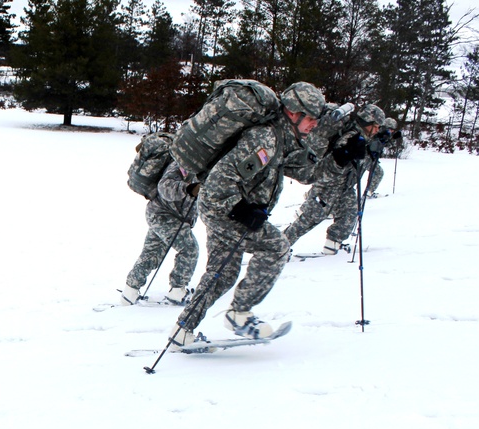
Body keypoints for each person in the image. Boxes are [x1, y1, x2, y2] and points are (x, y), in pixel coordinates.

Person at [171, 81, 327, 347]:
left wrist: (339, 157)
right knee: (277, 247)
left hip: (227, 211)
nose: (313, 124)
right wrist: (241, 210)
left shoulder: (284, 139)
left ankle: (182, 330)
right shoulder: (265, 139)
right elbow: (219, 181)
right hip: (225, 211)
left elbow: (306, 173)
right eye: (310, 118)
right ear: (293, 112)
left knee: (222, 274)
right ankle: (239, 314)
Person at [283, 103, 386, 255]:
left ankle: (332, 246)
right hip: (329, 187)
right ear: (367, 123)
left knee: (348, 216)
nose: (377, 129)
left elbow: (363, 164)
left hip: (345, 188)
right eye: (376, 126)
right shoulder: (351, 137)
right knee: (307, 221)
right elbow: (335, 163)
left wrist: (376, 148)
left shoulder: (364, 138)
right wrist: (346, 156)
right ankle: (280, 246)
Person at [120, 161, 200, 306]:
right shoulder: (183, 163)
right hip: (164, 215)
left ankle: (129, 293)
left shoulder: (203, 168)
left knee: (152, 254)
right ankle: (177, 292)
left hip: (161, 215)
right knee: (189, 249)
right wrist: (187, 188)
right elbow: (164, 187)